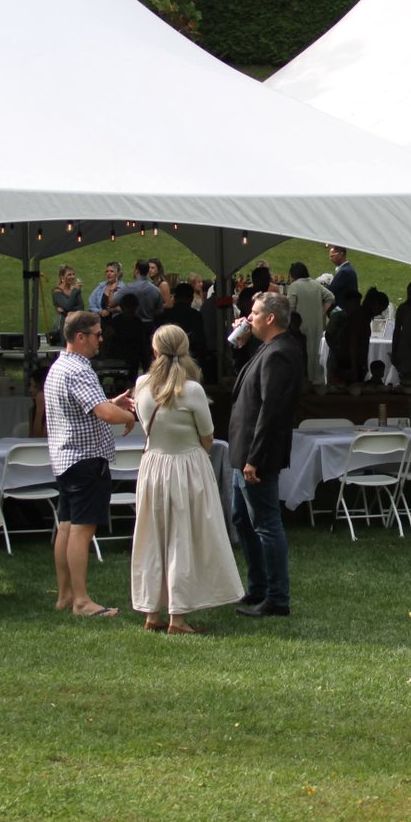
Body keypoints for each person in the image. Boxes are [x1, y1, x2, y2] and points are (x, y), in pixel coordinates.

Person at [131, 324, 243, 634]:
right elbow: (207, 436)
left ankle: (152, 611)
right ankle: (177, 617)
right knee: (183, 536)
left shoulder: (141, 385)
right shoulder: (191, 390)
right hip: (187, 467)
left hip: (153, 466)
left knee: (152, 537)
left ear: (154, 351)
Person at [46, 310, 138, 618]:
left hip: (65, 459)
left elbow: (85, 409)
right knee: (81, 532)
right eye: (97, 334)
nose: (102, 340)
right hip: (86, 460)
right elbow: (105, 415)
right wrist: (135, 415)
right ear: (81, 337)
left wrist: (112, 402)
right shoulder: (80, 370)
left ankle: (65, 595)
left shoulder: (59, 367)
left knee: (66, 527)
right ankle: (82, 602)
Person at [227, 292, 306, 618]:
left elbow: (272, 411)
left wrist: (255, 458)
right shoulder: (267, 349)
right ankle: (258, 587)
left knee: (265, 524)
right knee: (242, 520)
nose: (249, 318)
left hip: (256, 455)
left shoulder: (281, 354)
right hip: (245, 451)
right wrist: (240, 343)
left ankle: (276, 597)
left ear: (270, 318)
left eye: (254, 313)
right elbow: (246, 382)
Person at [285, 261, 333, 386]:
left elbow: (290, 307)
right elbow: (330, 297)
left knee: (303, 352)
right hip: (317, 324)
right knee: (315, 352)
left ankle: (305, 380)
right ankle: (315, 380)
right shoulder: (316, 285)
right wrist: (322, 312)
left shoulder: (294, 286)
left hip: (300, 325)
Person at [158, 281, 207, 367]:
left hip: (168, 358)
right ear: (191, 299)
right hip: (190, 358)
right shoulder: (195, 315)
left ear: (175, 298)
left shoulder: (165, 315)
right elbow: (201, 341)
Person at [50, 264, 84, 341]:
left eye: (73, 274)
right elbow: (67, 306)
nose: (72, 277)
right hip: (64, 323)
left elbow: (81, 307)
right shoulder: (57, 291)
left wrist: (66, 311)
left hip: (77, 322)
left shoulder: (74, 289)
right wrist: (75, 292)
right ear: (62, 277)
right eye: (69, 275)